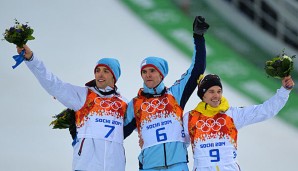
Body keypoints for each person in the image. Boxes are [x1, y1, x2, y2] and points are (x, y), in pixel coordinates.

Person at [16, 45, 128, 171]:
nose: (100, 74)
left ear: (114, 76)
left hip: (115, 167)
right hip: (86, 166)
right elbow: (54, 84)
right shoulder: (83, 95)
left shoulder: (123, 104)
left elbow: (145, 125)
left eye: (106, 71)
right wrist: (32, 59)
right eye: (97, 70)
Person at [124, 16, 209, 171]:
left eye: (152, 70)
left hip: (177, 165)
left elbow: (197, 69)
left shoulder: (174, 94)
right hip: (150, 166)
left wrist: (198, 37)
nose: (147, 75)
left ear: (161, 74)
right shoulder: (135, 104)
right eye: (144, 72)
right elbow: (116, 132)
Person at [183, 74, 295, 171]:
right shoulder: (190, 118)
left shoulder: (232, 114)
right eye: (211, 91)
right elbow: (180, 146)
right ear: (203, 95)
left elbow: (265, 111)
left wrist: (284, 91)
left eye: (219, 91)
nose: (216, 95)